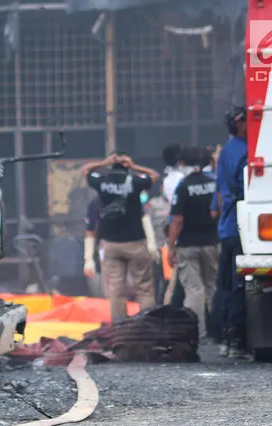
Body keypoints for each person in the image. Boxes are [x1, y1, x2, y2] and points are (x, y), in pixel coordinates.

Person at [81, 153, 159, 321]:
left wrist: (103, 162)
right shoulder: (135, 182)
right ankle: (148, 324)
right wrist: (134, 166)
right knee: (143, 287)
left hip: (110, 244)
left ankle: (120, 326)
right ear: (126, 165)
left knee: (116, 289)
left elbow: (85, 171)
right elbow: (154, 176)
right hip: (136, 242)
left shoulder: (101, 182)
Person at [167, 147, 220, 340]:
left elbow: (177, 220)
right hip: (212, 242)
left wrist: (171, 246)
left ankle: (197, 332)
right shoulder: (214, 183)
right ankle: (219, 331)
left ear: (183, 162)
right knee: (213, 286)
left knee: (194, 290)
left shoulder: (183, 186)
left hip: (188, 244)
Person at [215, 106, 248, 359]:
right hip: (241, 226)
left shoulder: (225, 150)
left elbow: (217, 197)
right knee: (238, 285)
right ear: (238, 123)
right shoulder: (246, 150)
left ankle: (226, 338)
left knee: (227, 284)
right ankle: (236, 340)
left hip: (227, 227)